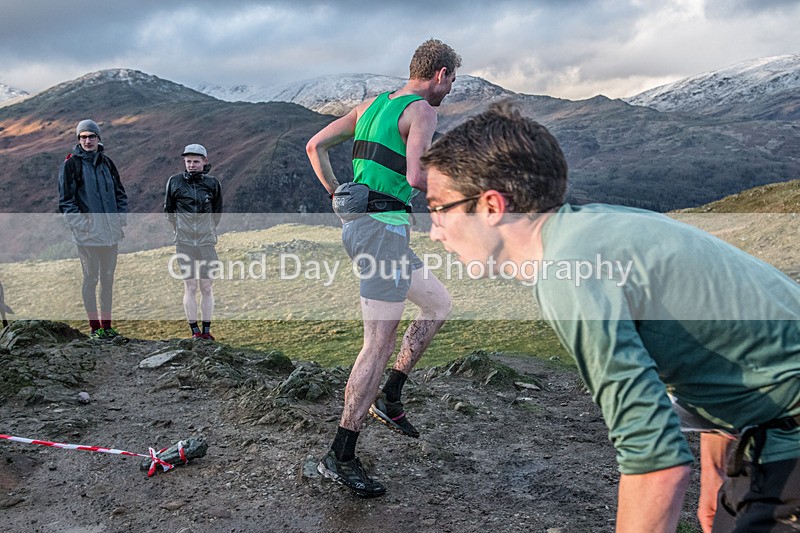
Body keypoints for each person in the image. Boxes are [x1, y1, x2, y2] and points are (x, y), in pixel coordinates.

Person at [420, 102, 800, 532]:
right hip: (764, 437)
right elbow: (723, 331)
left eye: (438, 208)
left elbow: (655, 462)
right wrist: (719, 463)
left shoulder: (569, 271)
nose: (434, 230)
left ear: (491, 206)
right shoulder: (601, 226)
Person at [305, 38, 460, 497]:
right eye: (450, 82)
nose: (448, 91)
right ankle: (340, 454)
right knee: (377, 343)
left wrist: (338, 195)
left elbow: (315, 145)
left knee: (437, 303)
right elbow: (415, 177)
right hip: (383, 232)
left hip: (367, 226)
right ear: (442, 74)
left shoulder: (371, 105)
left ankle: (390, 395)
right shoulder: (423, 111)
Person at [58, 119, 128, 339]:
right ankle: (94, 328)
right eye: (83, 137)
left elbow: (120, 193)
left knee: (108, 279)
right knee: (91, 279)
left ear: (99, 138)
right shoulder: (71, 165)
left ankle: (107, 327)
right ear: (78, 140)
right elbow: (66, 201)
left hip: (110, 234)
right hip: (87, 236)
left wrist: (120, 219)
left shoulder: (108, 163)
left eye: (91, 136)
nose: (87, 141)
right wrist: (83, 225)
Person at [164, 144, 223, 340]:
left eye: (196, 161)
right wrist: (181, 230)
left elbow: (217, 212)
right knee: (190, 286)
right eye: (188, 161)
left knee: (206, 287)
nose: (191, 165)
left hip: (206, 243)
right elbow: (169, 210)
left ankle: (207, 331)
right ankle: (194, 331)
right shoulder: (174, 182)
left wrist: (207, 231)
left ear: (204, 161)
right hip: (184, 243)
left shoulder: (213, 184)